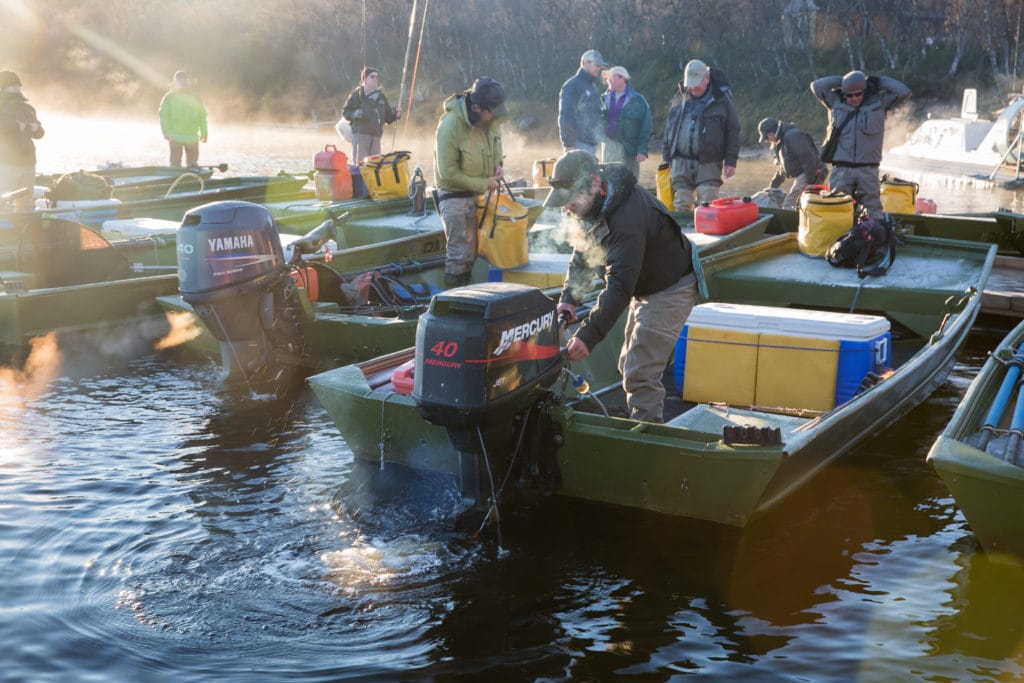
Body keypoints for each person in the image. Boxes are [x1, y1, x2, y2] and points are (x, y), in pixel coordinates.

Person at [545, 150, 699, 423]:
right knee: (627, 363)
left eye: (570, 200)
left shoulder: (627, 217)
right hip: (644, 284)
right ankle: (639, 419)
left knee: (640, 371)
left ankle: (648, 435)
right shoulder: (593, 203)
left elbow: (619, 285)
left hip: (671, 287)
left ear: (593, 183)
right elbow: (583, 252)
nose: (567, 208)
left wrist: (587, 336)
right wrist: (570, 297)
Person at [433, 77, 506, 286]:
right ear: (476, 108)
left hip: (479, 196)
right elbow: (448, 174)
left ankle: (472, 291)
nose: (495, 117)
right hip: (454, 197)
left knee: (474, 252)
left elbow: (497, 143)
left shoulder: (490, 119)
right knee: (459, 253)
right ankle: (453, 298)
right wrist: (484, 183)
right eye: (492, 112)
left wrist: (498, 163)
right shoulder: (449, 126)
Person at [810, 70, 911, 218]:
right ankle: (839, 239)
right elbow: (816, 86)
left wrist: (877, 82)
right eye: (849, 95)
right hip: (841, 170)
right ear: (843, 94)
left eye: (858, 94)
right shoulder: (834, 102)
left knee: (874, 211)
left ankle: (874, 237)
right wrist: (843, 80)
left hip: (868, 171)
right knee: (837, 209)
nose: (854, 98)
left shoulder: (879, 102)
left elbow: (904, 91)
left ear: (865, 90)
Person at [661, 59, 740, 211]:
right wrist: (667, 155)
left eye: (696, 82)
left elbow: (733, 131)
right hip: (680, 161)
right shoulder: (680, 97)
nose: (692, 87)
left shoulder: (722, 101)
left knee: (707, 203)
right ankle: (681, 234)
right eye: (689, 83)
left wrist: (731, 161)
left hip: (709, 162)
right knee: (680, 203)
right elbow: (669, 127)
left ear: (707, 78)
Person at [757, 117, 827, 210]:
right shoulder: (779, 142)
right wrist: (772, 187)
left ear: (771, 133)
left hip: (813, 170)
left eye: (766, 137)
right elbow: (782, 169)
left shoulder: (792, 136)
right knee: (799, 202)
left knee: (790, 202)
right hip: (805, 172)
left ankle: (791, 223)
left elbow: (809, 158)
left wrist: (810, 182)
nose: (766, 140)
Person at [0, 70, 44, 211]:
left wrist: (36, 128)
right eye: (11, 85)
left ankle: (22, 230)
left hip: (28, 163)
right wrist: (16, 126)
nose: (15, 88)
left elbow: (40, 133)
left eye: (17, 85)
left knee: (25, 204)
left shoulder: (28, 108)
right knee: (3, 203)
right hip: (6, 163)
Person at [601, 66, 653, 179]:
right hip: (609, 152)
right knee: (608, 186)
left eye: (611, 77)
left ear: (622, 78)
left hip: (630, 154)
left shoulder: (638, 100)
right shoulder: (602, 99)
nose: (608, 80)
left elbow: (646, 127)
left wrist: (642, 151)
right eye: (607, 78)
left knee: (631, 188)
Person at [341, 67, 401, 163]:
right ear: (365, 79)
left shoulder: (381, 97)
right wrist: (355, 114)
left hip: (376, 137)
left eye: (377, 77)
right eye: (372, 76)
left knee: (375, 166)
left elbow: (388, 118)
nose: (375, 79)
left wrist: (395, 115)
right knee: (360, 165)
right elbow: (345, 112)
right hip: (360, 136)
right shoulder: (357, 94)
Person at [558, 49, 608, 155]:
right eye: (597, 65)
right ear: (586, 62)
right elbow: (566, 116)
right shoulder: (571, 86)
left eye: (600, 66)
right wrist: (569, 145)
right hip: (577, 145)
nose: (599, 68)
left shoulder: (593, 87)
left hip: (592, 145)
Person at [158, 70, 208, 167]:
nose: (183, 82)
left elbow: (202, 116)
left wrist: (204, 133)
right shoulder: (169, 97)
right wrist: (166, 132)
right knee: (175, 165)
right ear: (175, 82)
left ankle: (193, 178)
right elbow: (163, 116)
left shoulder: (196, 97)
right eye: (179, 80)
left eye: (185, 80)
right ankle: (176, 179)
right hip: (175, 137)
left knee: (193, 165)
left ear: (189, 82)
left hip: (192, 137)